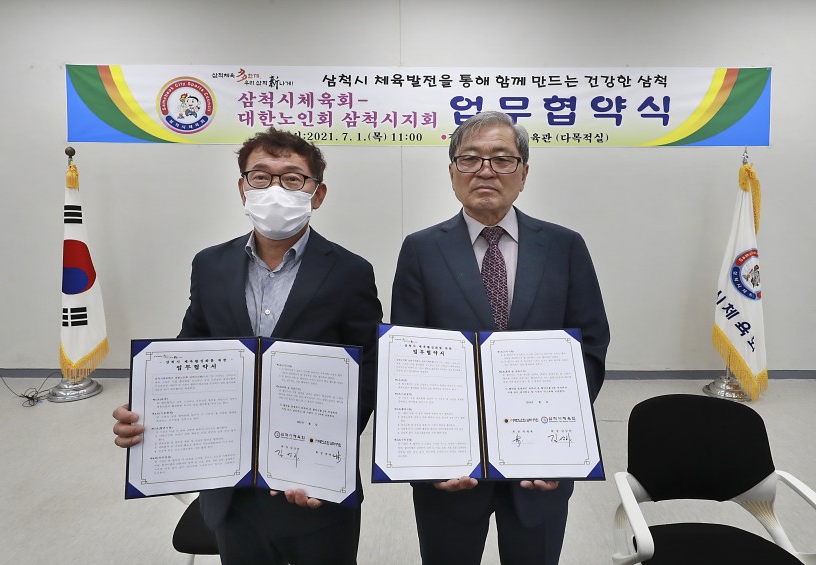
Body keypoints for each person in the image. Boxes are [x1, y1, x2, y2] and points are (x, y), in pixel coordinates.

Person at [112, 128, 383, 565]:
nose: (275, 189)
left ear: (317, 194)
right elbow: (190, 347)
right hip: (230, 490)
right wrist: (148, 412)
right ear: (243, 188)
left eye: (292, 178)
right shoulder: (210, 264)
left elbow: (367, 367)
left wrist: (326, 454)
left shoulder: (351, 271)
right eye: (261, 176)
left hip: (314, 488)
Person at [390, 111, 609, 565]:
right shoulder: (421, 249)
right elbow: (406, 361)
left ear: (524, 173)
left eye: (502, 159)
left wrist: (560, 442)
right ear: (452, 172)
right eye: (470, 159)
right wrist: (429, 458)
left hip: (541, 465)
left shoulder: (564, 246)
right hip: (451, 467)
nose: (485, 170)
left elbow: (590, 346)